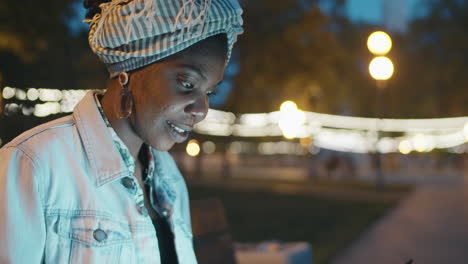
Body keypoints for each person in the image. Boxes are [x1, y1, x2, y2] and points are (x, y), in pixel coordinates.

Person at [0, 0, 243, 263]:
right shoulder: (33, 163)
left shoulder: (169, 177)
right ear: (128, 70)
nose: (201, 109)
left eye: (209, 92)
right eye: (187, 83)